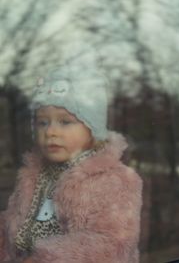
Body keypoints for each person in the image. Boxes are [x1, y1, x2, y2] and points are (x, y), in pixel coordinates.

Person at [0, 64, 143, 263]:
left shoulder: (117, 180)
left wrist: (42, 260)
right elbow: (9, 225)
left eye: (65, 122)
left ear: (92, 129)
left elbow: (111, 244)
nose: (50, 132)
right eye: (42, 123)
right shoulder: (32, 176)